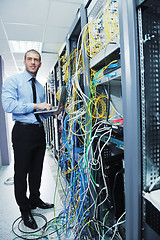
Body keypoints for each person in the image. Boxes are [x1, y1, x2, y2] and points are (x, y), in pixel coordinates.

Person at [1, 49, 63, 230]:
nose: (33, 62)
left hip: (38, 131)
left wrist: (51, 113)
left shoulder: (40, 86)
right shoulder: (13, 81)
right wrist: (37, 105)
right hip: (22, 132)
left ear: (40, 63)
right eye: (30, 59)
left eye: (36, 60)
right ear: (24, 61)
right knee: (21, 174)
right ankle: (25, 209)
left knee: (37, 171)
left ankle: (35, 199)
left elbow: (38, 115)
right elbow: (8, 105)